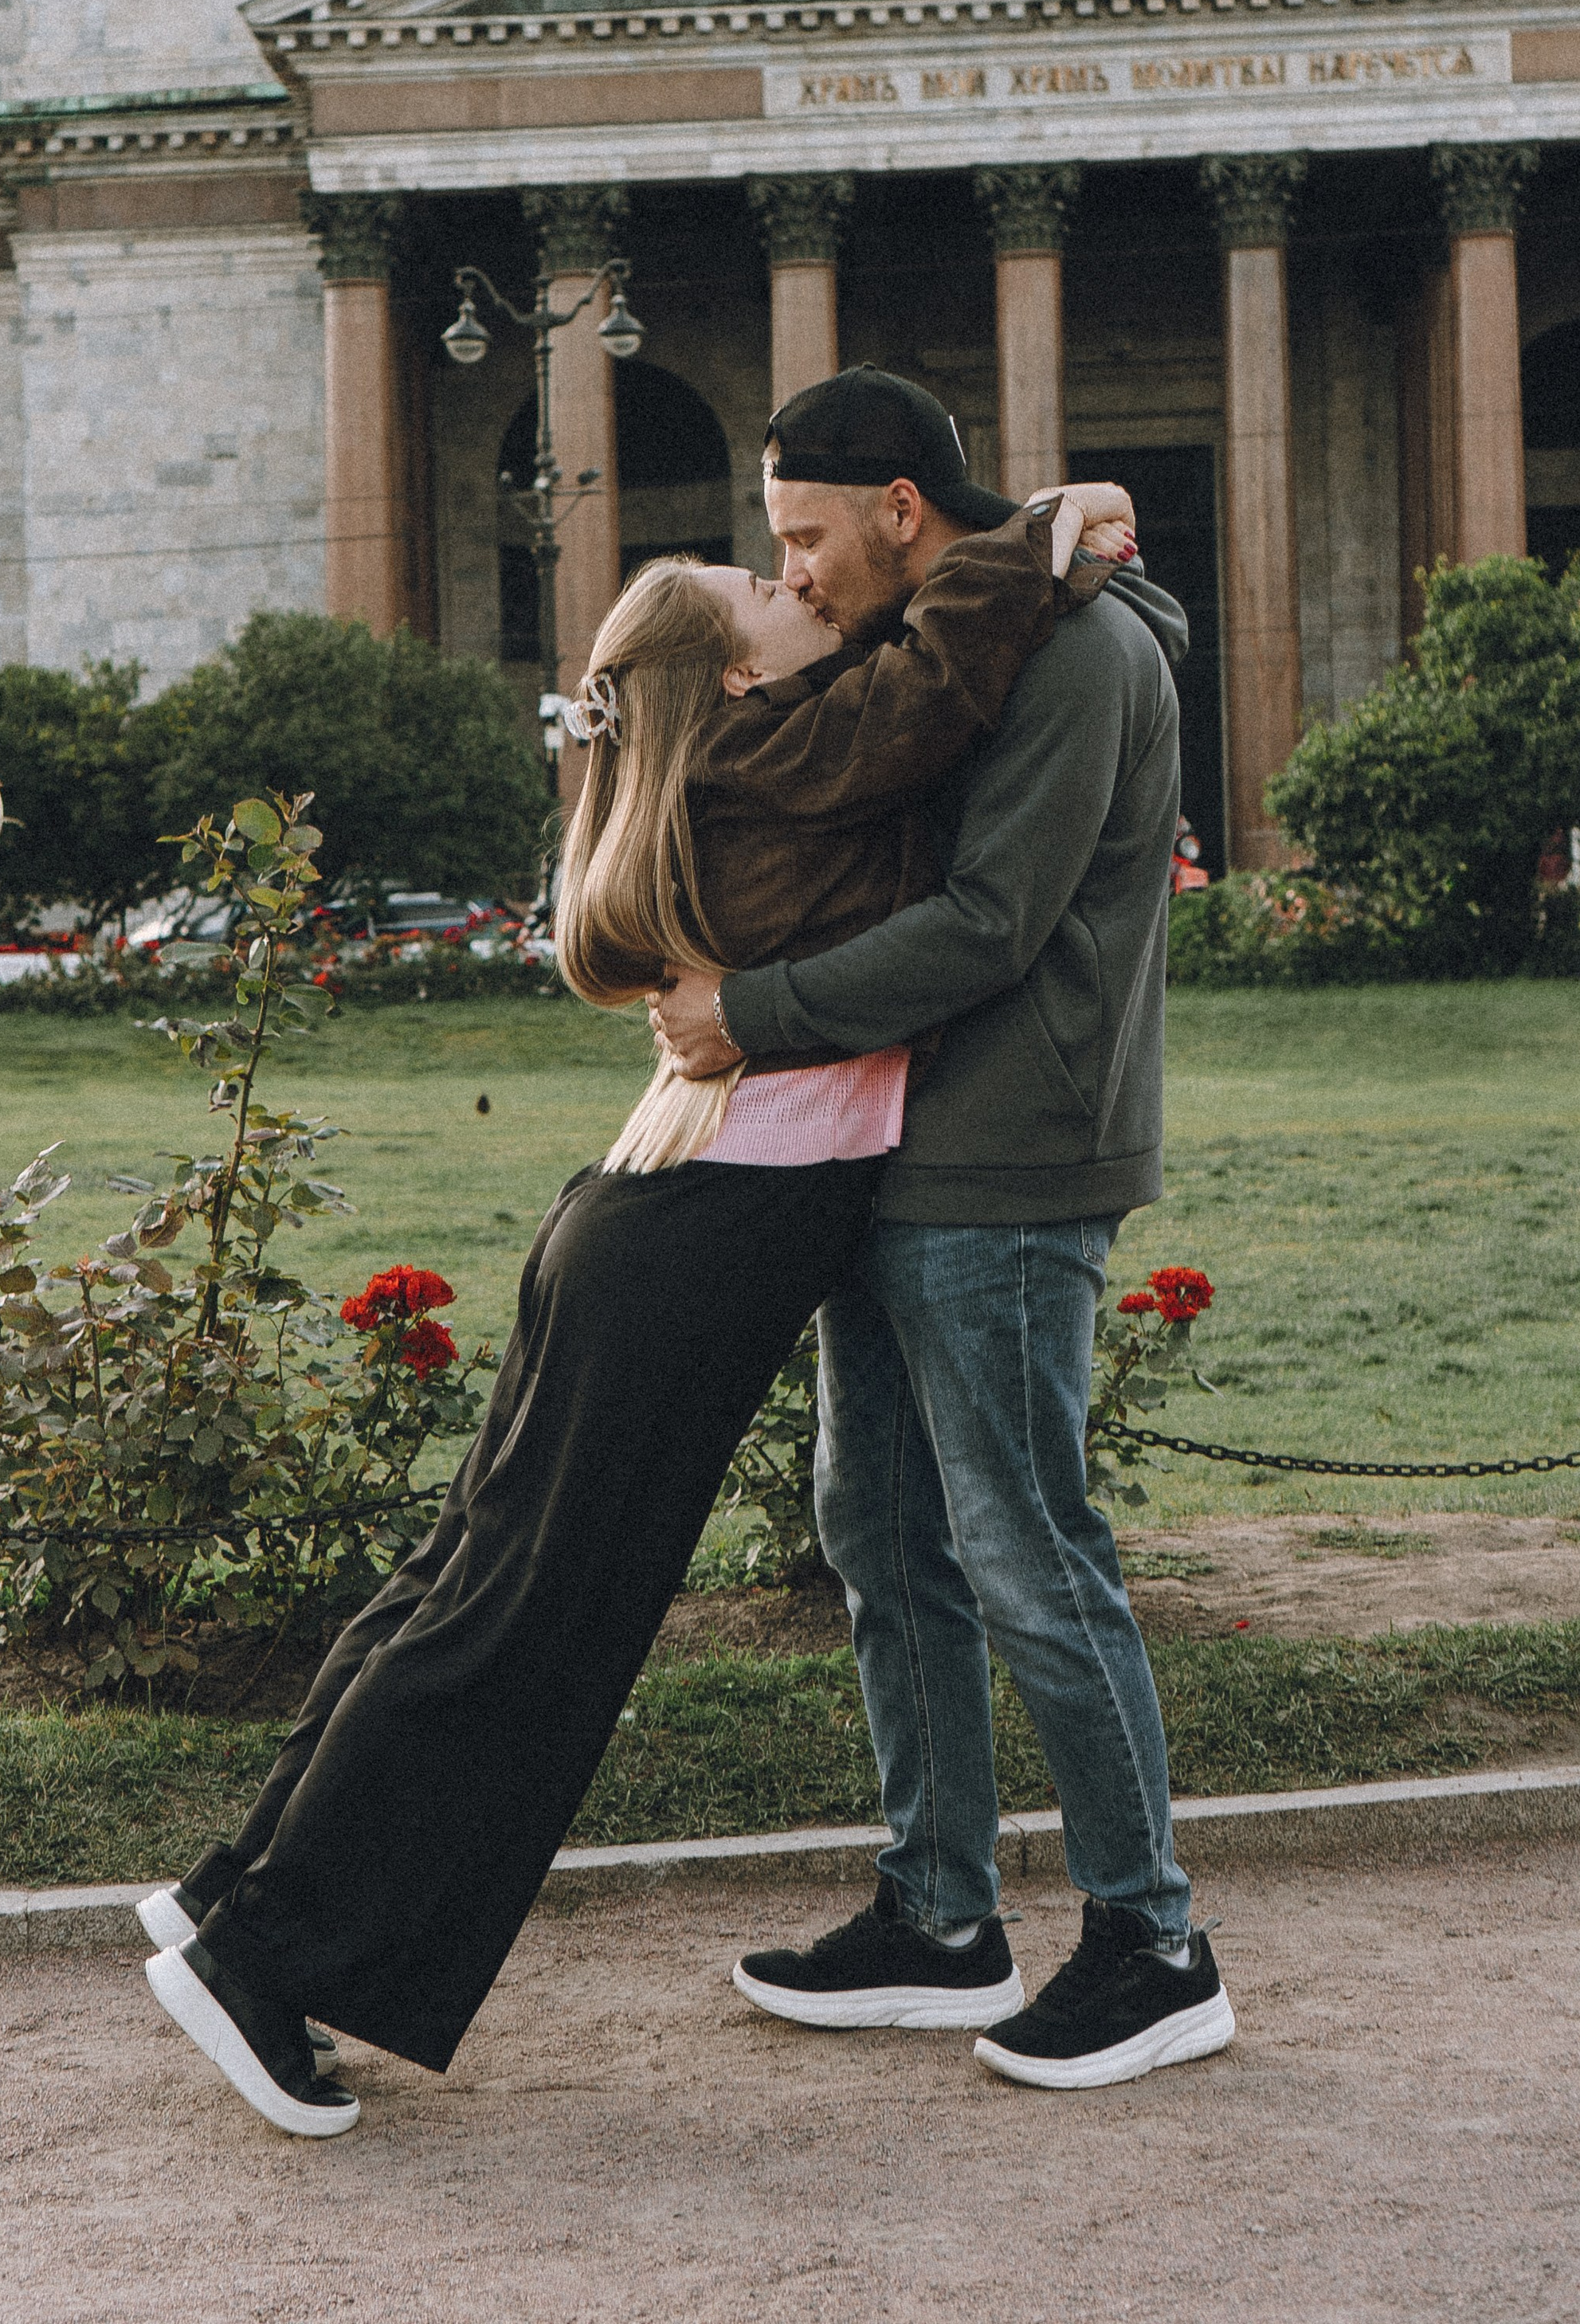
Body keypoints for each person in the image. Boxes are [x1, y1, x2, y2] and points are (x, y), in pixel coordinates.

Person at [133, 477, 1131, 2138]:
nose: (796, 590)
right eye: (764, 588)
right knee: (530, 1627)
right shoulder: (782, 755)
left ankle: (242, 1890)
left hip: (655, 1209)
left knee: (473, 1576)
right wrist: (1027, 533)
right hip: (701, 1230)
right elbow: (933, 682)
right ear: (731, 678)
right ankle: (264, 1958)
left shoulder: (730, 763)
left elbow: (895, 687)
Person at [651, 366, 1235, 2091]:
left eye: (806, 541)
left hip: (1009, 1150)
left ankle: (1151, 1944)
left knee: (1023, 1546)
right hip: (906, 1139)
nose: (798, 575)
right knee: (878, 1523)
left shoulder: (1077, 656)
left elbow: (987, 924)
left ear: (899, 509)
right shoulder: (975, 637)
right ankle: (938, 1915)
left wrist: (746, 1012)